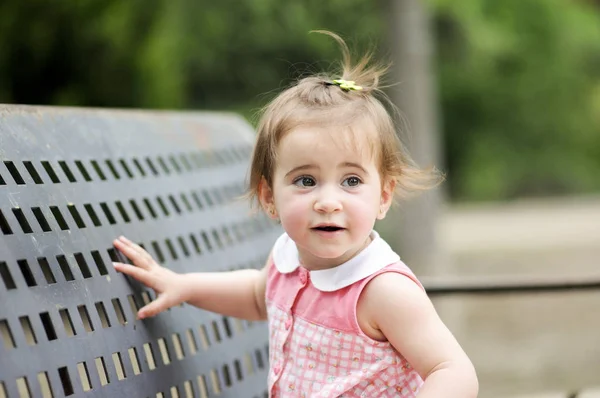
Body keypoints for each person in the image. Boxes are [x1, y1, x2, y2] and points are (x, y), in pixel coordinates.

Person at [112, 31, 478, 397]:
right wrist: (183, 285)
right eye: (306, 180)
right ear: (270, 197)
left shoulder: (384, 291)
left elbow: (452, 370)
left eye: (351, 180)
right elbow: (257, 295)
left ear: (383, 196)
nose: (328, 201)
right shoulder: (287, 258)